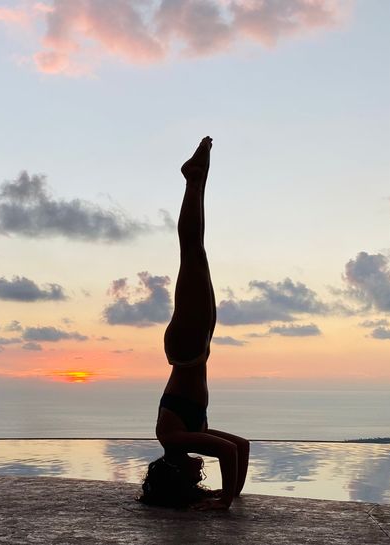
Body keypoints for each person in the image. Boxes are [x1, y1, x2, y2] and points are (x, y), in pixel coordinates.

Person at [138, 137, 250, 510]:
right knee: (196, 253)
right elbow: (240, 447)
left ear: (177, 476)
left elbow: (226, 453)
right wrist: (228, 494)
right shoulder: (187, 437)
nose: (199, 475)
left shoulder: (174, 440)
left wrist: (225, 502)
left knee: (193, 251)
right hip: (194, 349)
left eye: (194, 479)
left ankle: (193, 179)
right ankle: (196, 179)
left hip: (187, 350)